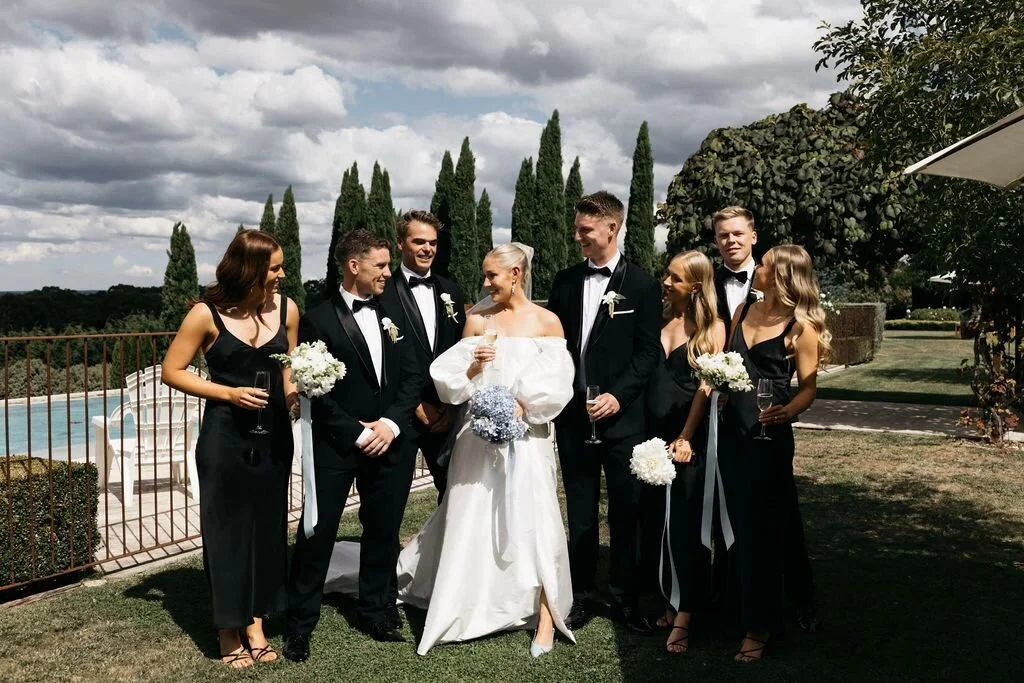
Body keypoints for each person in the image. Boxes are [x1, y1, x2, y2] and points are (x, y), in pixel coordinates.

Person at [395, 243, 575, 657]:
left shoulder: (547, 321)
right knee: (471, 513)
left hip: (528, 438)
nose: (486, 282)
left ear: (516, 274)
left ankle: (544, 616)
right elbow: (452, 382)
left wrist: (523, 406)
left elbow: (558, 382)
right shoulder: (478, 319)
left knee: (536, 520)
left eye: (492, 275)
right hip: (476, 438)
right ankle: (465, 603)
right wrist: (475, 367)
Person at [283, 230, 425, 662]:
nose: (388, 272)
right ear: (353, 266)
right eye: (381, 265)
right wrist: (356, 432)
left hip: (391, 443)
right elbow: (314, 387)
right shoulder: (318, 319)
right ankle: (299, 625)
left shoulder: (396, 313)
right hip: (336, 446)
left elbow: (413, 376)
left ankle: (376, 611)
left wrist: (390, 425)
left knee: (382, 531)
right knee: (317, 532)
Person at [161, 229, 298, 669]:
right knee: (227, 532)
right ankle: (227, 629)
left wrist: (295, 395)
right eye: (275, 267)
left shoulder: (288, 309)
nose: (282, 274)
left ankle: (256, 623)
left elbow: (289, 367)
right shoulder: (206, 314)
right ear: (250, 269)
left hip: (274, 436)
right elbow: (172, 371)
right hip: (224, 438)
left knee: (268, 529)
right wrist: (228, 394)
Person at [547, 190, 663, 633]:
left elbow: (648, 353)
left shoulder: (643, 285)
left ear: (612, 228)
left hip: (623, 420)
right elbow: (554, 346)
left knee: (625, 512)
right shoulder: (564, 282)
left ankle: (624, 598)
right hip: (574, 419)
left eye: (585, 230)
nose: (577, 237)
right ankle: (580, 595)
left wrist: (618, 395)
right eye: (577, 229)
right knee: (580, 512)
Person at [718, 244, 831, 662]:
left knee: (760, 529)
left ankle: (759, 625)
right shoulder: (742, 313)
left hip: (768, 439)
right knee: (760, 522)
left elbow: (809, 389)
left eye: (764, 265)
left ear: (780, 276)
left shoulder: (801, 328)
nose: (757, 269)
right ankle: (791, 596)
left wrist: (788, 412)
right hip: (732, 435)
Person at [647, 251, 726, 654]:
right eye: (667, 274)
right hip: (651, 435)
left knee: (686, 525)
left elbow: (705, 390)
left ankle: (686, 615)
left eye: (675, 278)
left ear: (695, 286)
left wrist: (686, 437)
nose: (666, 282)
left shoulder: (713, 329)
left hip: (686, 439)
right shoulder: (657, 319)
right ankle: (669, 599)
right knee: (658, 522)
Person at [380, 210, 466, 503]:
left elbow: (460, 349)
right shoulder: (382, 292)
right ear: (400, 243)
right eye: (419, 242)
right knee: (389, 501)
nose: (427, 248)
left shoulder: (451, 290)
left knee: (455, 495)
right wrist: (415, 403)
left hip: (445, 413)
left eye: (432, 242)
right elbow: (382, 357)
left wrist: (452, 405)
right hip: (401, 414)